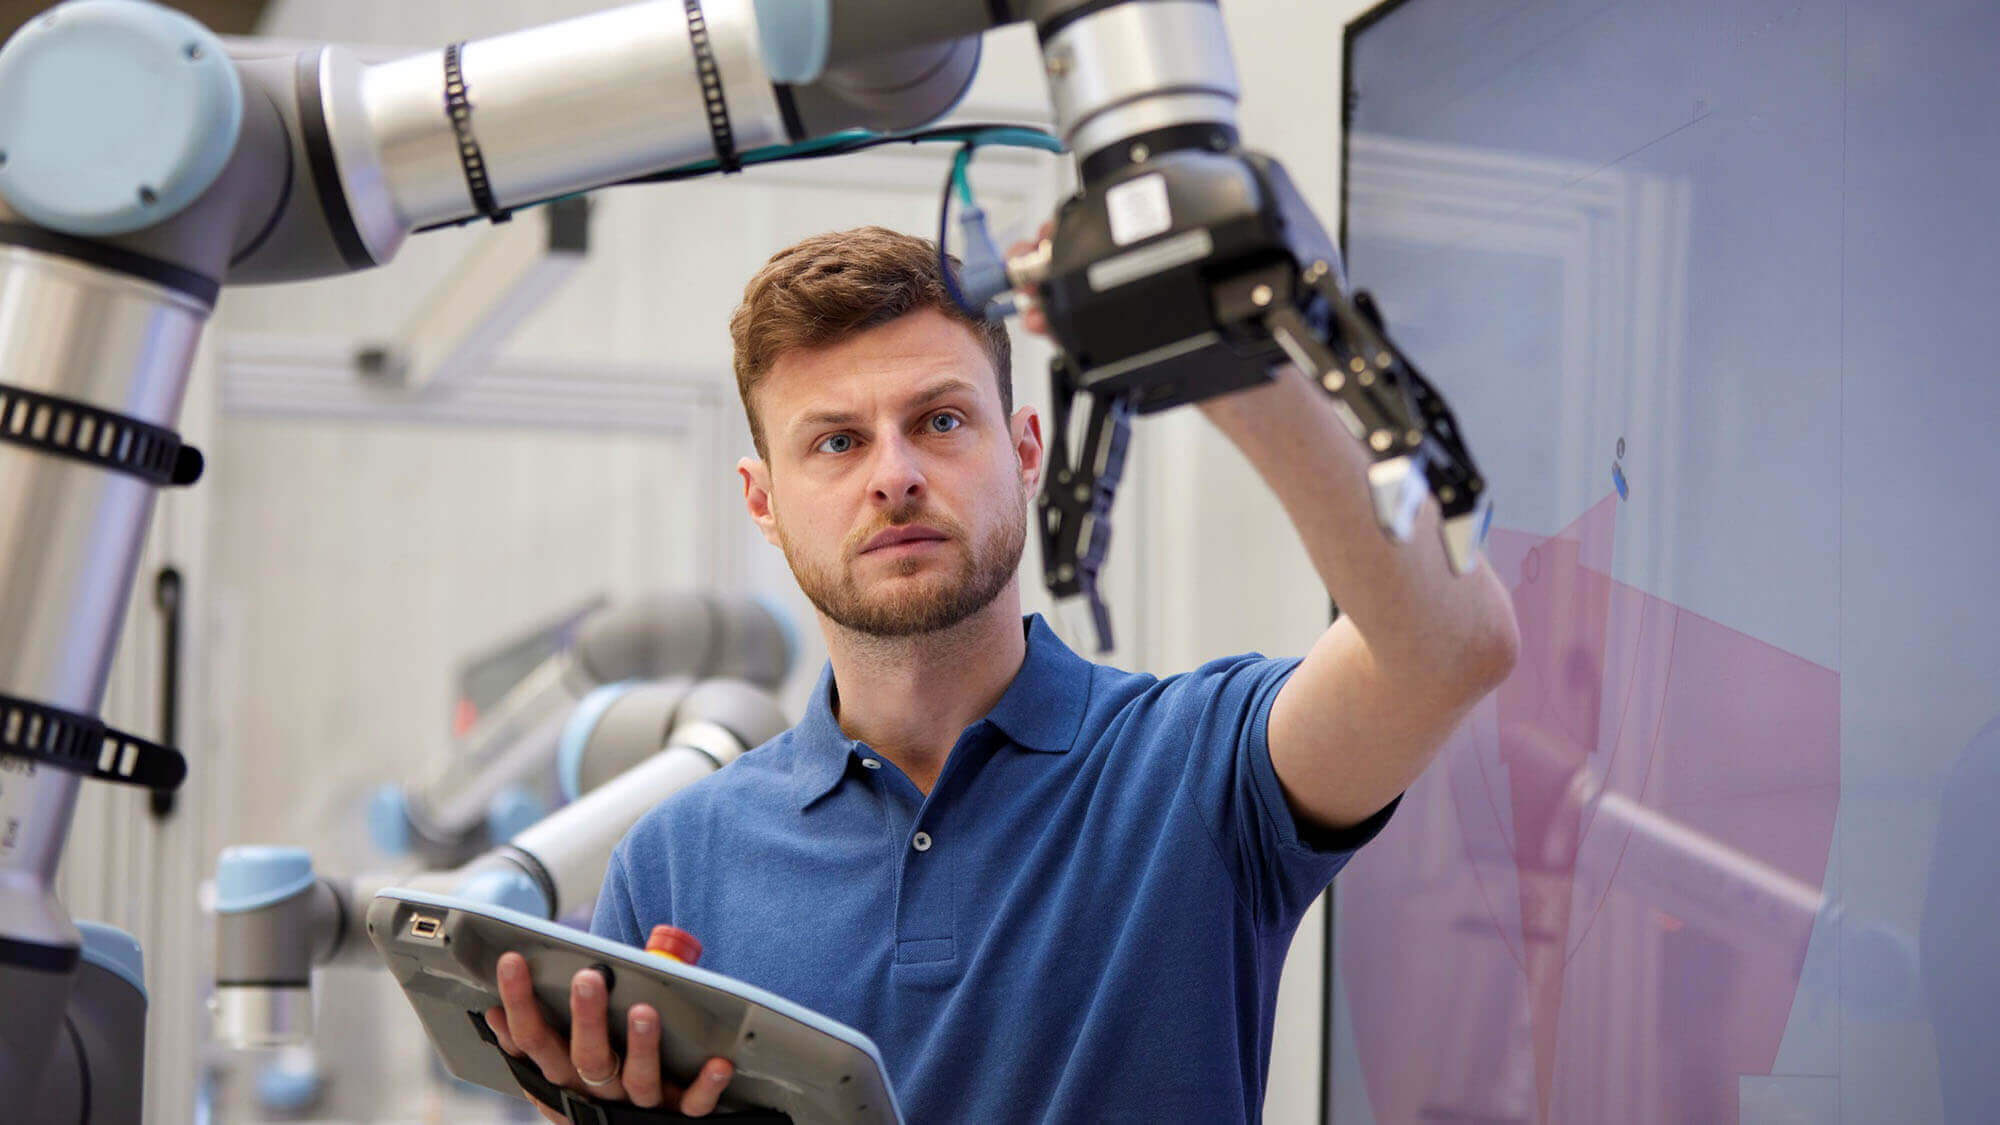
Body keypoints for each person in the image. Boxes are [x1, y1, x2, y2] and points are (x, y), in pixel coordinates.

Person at [483, 226, 1519, 1122]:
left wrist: (1225, 356)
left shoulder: (1198, 767)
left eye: (938, 421)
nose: (893, 474)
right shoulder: (675, 858)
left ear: (1025, 450)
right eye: (836, 442)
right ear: (762, 502)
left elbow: (1451, 646)